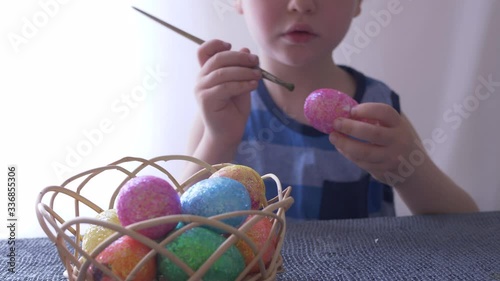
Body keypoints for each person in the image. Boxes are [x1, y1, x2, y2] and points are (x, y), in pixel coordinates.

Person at [185, 0, 478, 219]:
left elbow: (469, 226)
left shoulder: (378, 109)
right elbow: (178, 226)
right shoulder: (225, 108)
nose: (302, 5)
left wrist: (408, 172)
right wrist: (219, 139)